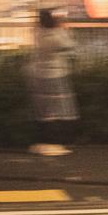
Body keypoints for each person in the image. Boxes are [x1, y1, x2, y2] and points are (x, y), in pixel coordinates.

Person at [27, 8, 79, 156]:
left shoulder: (38, 33)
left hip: (39, 75)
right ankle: (52, 144)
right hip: (55, 76)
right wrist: (63, 29)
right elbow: (70, 45)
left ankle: (42, 143)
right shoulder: (54, 37)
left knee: (44, 111)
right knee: (56, 112)